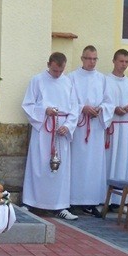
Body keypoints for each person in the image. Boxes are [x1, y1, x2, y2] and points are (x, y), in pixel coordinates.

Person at [22, 52, 79, 220]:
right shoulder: (37, 80)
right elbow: (28, 104)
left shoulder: (68, 82)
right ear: (49, 64)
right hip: (44, 129)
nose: (57, 74)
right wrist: (44, 111)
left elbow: (75, 108)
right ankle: (30, 202)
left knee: (59, 170)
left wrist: (68, 126)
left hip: (61, 130)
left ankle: (60, 206)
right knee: (38, 165)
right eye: (54, 70)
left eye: (60, 71)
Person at [68, 45, 113, 217]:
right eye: (88, 58)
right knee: (77, 163)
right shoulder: (72, 77)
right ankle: (73, 200)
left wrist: (101, 109)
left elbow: (109, 102)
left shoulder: (102, 79)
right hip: (79, 128)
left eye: (95, 59)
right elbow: (68, 101)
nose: (92, 62)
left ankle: (92, 201)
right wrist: (82, 108)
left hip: (95, 128)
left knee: (94, 165)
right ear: (82, 58)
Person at [105, 49, 128, 207]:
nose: (124, 65)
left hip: (125, 129)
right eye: (121, 61)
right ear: (114, 61)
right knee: (109, 161)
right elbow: (102, 101)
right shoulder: (105, 81)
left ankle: (120, 200)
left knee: (123, 162)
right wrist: (113, 108)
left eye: (126, 61)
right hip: (111, 127)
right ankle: (105, 197)